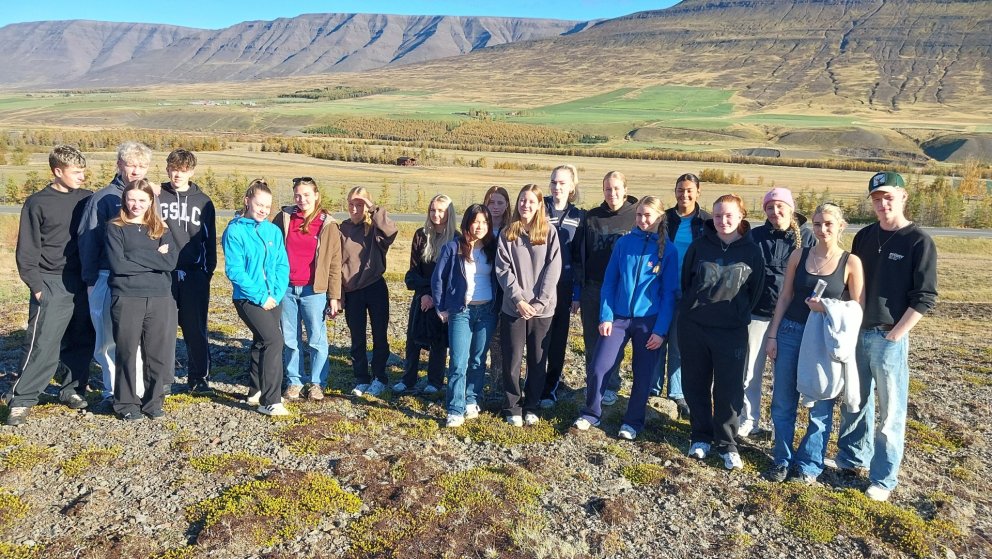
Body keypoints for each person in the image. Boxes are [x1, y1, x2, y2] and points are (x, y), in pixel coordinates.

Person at [835, 172, 938, 502]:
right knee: (855, 402)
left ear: (903, 197)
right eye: (877, 199)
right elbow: (851, 284)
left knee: (890, 413)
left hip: (888, 338)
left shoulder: (919, 242)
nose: (882, 204)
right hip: (857, 333)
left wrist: (896, 335)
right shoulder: (864, 237)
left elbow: (924, 297)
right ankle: (852, 459)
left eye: (888, 197)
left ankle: (883, 477)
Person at [764, 203, 863, 483]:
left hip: (823, 339)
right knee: (783, 402)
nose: (822, 229)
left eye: (829, 224)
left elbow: (857, 307)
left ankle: (809, 465)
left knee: (821, 405)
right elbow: (785, 296)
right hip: (790, 332)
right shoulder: (799, 255)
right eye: (818, 224)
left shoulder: (850, 262)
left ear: (841, 226)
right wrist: (773, 334)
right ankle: (782, 460)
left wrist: (826, 307)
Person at [4, 145, 95, 426]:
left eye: (83, 171)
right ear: (57, 171)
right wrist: (37, 286)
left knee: (81, 338)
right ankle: (22, 399)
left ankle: (72, 389)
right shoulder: (37, 203)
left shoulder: (88, 199)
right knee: (43, 342)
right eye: (76, 172)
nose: (82, 176)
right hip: (51, 281)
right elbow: (27, 250)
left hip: (82, 279)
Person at [573, 196, 678, 440]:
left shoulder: (669, 251)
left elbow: (669, 294)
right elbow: (610, 282)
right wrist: (606, 316)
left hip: (648, 322)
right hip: (618, 318)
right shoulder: (624, 243)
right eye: (639, 215)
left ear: (660, 217)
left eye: (648, 215)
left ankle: (632, 422)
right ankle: (591, 413)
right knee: (599, 366)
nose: (642, 220)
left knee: (643, 374)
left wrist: (660, 330)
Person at [680, 194, 764, 470]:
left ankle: (727, 442)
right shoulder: (699, 246)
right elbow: (686, 281)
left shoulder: (752, 251)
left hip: (731, 331)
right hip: (695, 327)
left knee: (729, 388)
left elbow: (755, 290)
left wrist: (735, 313)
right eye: (718, 215)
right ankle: (700, 436)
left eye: (729, 215)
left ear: (741, 216)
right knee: (696, 384)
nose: (723, 221)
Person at [77, 141, 153, 409]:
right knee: (107, 339)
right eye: (131, 164)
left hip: (140, 279)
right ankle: (112, 391)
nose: (136, 170)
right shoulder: (103, 199)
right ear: (119, 164)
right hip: (106, 276)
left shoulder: (148, 197)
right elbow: (88, 241)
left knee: (136, 339)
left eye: (142, 165)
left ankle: (137, 390)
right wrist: (90, 280)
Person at [740, 187, 815, 438]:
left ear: (791, 208)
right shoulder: (755, 236)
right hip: (758, 314)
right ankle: (749, 419)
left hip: (792, 318)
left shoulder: (807, 238)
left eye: (780, 206)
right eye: (770, 207)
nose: (775, 211)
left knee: (785, 376)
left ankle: (781, 427)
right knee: (750, 372)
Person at [105, 179, 179, 420]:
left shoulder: (161, 229)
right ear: (125, 200)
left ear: (150, 202)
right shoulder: (115, 228)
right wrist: (153, 257)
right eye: (131, 199)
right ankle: (125, 403)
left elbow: (170, 262)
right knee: (126, 352)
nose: (136, 204)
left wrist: (133, 255)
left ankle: (153, 403)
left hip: (160, 298)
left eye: (141, 200)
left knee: (157, 353)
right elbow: (118, 265)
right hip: (127, 298)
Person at [496, 184, 562, 427]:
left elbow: (553, 269)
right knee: (512, 359)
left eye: (531, 201)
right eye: (523, 200)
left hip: (542, 310)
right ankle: (512, 405)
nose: (526, 205)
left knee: (537, 360)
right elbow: (503, 270)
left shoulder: (550, 232)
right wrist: (519, 299)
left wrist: (540, 301)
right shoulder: (507, 233)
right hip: (514, 308)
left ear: (539, 205)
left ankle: (532, 404)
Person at [223, 180, 290, 416]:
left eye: (267, 206)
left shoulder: (273, 231)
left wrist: (276, 294)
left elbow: (282, 264)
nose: (263, 210)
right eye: (259, 204)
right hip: (248, 298)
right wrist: (261, 297)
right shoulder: (235, 231)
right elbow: (235, 271)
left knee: (262, 341)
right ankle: (271, 400)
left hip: (273, 297)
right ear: (247, 201)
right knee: (274, 341)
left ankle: (256, 390)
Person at [272, 177, 342, 402]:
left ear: (316, 196)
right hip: (287, 288)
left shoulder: (327, 224)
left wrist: (334, 296)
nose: (302, 199)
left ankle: (317, 383)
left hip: (314, 290)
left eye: (306, 195)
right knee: (290, 339)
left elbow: (334, 262)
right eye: (298, 195)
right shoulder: (284, 218)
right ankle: (294, 381)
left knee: (316, 339)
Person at [573, 171, 639, 407]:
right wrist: (578, 291)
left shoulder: (636, 215)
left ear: (625, 189)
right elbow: (580, 255)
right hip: (593, 288)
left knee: (614, 340)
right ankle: (593, 384)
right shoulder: (592, 217)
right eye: (608, 189)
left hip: (623, 290)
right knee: (592, 339)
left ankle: (611, 385)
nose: (612, 193)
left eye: (617, 188)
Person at [432, 204, 499, 427]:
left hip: (487, 311)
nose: (480, 226)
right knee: (458, 362)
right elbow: (438, 278)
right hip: (461, 311)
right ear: (467, 223)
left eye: (485, 222)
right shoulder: (453, 247)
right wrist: (441, 307)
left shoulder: (492, 248)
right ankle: (455, 408)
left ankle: (472, 399)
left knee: (478, 360)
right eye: (476, 221)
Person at [158, 148, 217, 394]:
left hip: (194, 274)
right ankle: (163, 379)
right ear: (167, 169)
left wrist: (206, 272)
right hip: (164, 273)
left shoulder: (203, 201)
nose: (177, 175)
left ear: (191, 171)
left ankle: (198, 377)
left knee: (195, 328)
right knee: (163, 328)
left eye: (183, 170)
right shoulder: (157, 195)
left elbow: (209, 240)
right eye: (173, 169)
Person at [652, 173, 711, 419]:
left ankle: (676, 393)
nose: (684, 195)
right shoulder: (664, 219)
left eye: (689, 190)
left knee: (679, 344)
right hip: (661, 291)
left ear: (698, 192)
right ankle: (652, 389)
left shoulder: (707, 222)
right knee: (656, 340)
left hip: (689, 294)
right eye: (680, 190)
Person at [340, 186, 398, 397]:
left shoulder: (375, 229)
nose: (355, 209)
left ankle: (379, 377)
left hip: (375, 287)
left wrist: (373, 209)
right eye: (352, 204)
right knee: (357, 338)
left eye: (360, 204)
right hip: (352, 290)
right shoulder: (342, 229)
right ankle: (361, 378)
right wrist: (338, 294)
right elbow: (335, 263)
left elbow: (391, 231)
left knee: (379, 335)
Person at [396, 194, 456, 395]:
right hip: (421, 296)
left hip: (442, 299)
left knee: (439, 341)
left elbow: (452, 276)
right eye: (432, 210)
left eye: (441, 210)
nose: (436, 214)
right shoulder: (421, 235)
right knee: (412, 339)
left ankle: (435, 381)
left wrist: (434, 297)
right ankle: (408, 379)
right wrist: (424, 294)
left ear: (449, 213)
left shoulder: (456, 238)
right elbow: (413, 270)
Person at [541, 165, 584, 408]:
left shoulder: (579, 216)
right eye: (554, 182)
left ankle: (550, 388)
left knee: (557, 340)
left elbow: (579, 257)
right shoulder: (538, 208)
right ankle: (533, 384)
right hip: (537, 286)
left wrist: (577, 293)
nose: (557, 187)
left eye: (562, 183)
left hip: (564, 287)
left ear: (572, 187)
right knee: (537, 338)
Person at [482, 185, 511, 405]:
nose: (495, 207)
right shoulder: (479, 228)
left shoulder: (511, 230)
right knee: (482, 342)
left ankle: (498, 388)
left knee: (500, 344)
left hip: (504, 294)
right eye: (491, 202)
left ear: (507, 205)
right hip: (481, 292)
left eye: (500, 202)